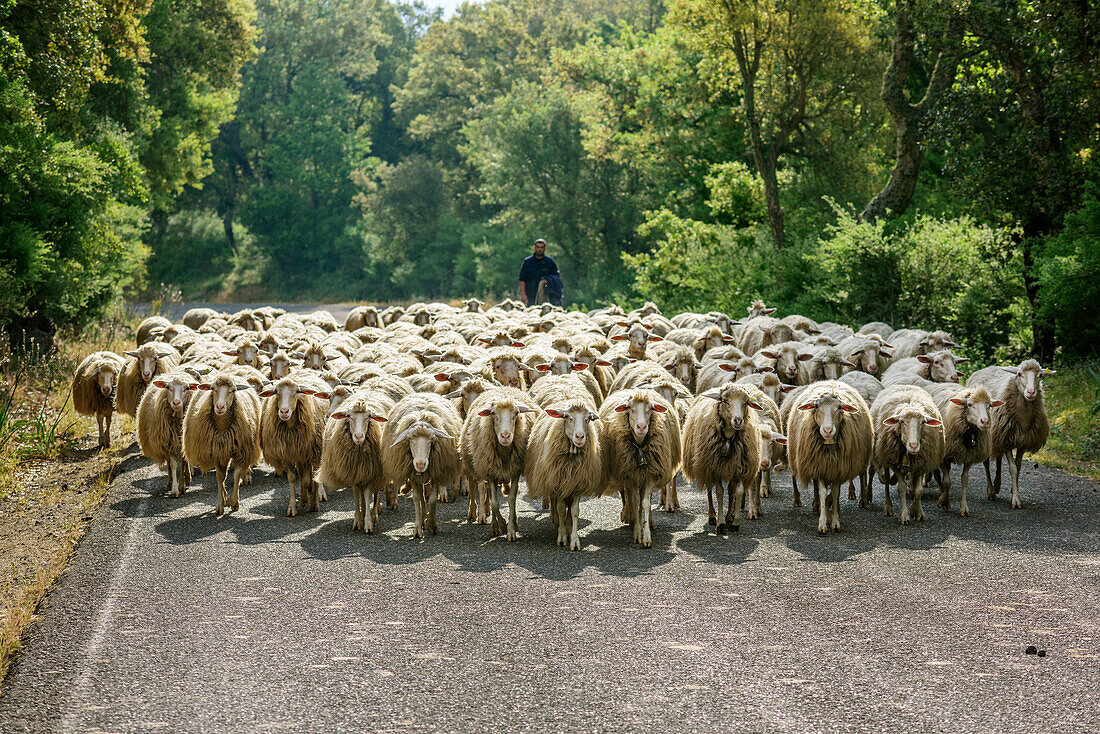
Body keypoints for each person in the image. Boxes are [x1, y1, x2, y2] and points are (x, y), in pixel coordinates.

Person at [517, 238, 563, 307]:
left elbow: (556, 279)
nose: (539, 249)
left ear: (545, 248)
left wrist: (548, 280)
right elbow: (522, 280)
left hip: (547, 295)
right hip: (531, 295)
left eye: (541, 247)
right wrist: (523, 295)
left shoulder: (550, 262)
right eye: (538, 247)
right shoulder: (528, 262)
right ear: (534, 248)